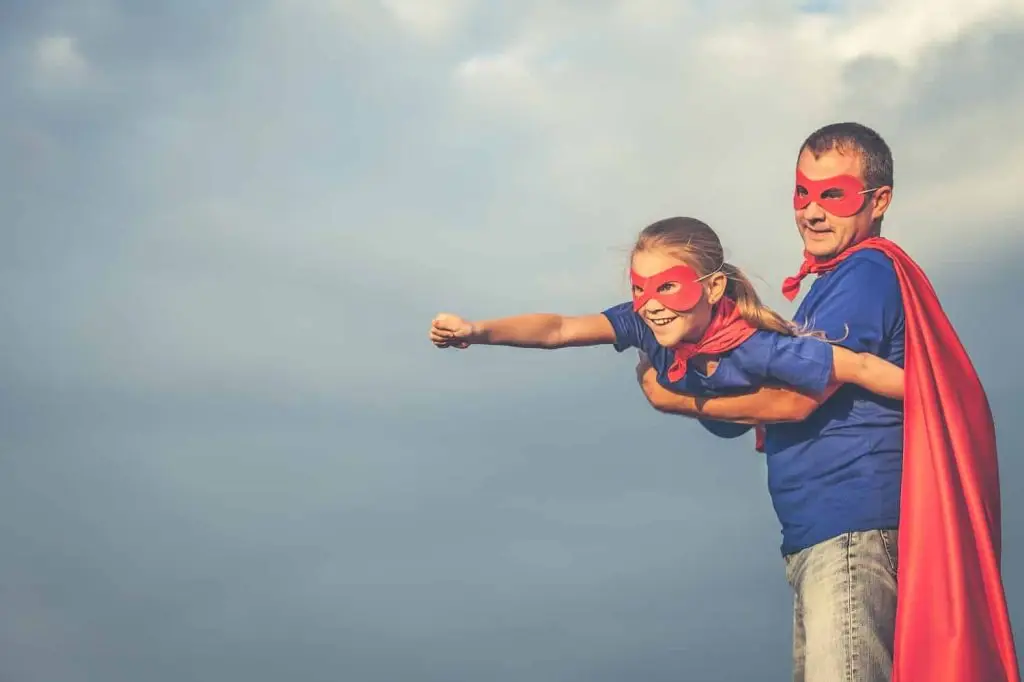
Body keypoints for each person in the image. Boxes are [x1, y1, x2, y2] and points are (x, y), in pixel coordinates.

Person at [634, 122, 1019, 682]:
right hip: (824, 535)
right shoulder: (833, 284)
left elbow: (793, 402)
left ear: (879, 200)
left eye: (832, 195)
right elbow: (755, 397)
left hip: (852, 532)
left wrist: (679, 403)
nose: (812, 212)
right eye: (802, 193)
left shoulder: (863, 272)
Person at [430, 215, 905, 433]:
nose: (651, 304)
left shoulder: (755, 347)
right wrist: (477, 331)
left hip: (742, 400)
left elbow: (859, 367)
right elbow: (559, 329)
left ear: (713, 289)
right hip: (695, 384)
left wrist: (939, 393)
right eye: (640, 288)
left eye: (669, 287)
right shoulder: (641, 321)